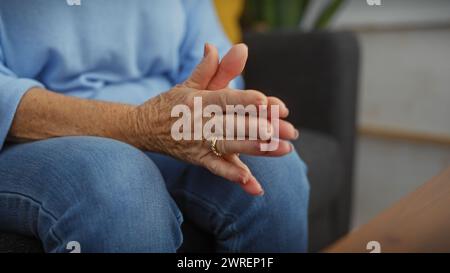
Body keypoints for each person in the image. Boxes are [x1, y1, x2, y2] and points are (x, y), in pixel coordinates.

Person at [0, 0, 309, 252]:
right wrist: (140, 124)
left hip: (166, 122)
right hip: (29, 140)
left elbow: (212, 64)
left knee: (273, 170)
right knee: (114, 177)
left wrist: (205, 111)